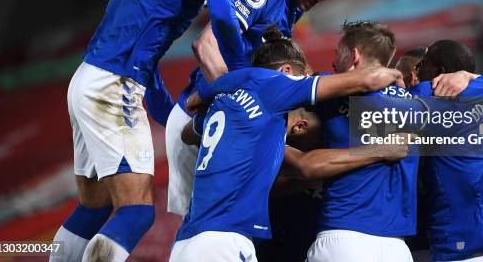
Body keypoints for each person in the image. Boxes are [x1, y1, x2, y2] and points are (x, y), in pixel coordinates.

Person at [51, 0, 294, 262]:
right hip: (115, 85)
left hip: (87, 78)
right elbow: (225, 17)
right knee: (136, 211)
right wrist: (242, 76)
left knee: (96, 205)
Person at [170, 28, 405, 261]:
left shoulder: (229, 103)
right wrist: (395, 74)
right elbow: (371, 78)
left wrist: (209, 91)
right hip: (221, 237)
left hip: (199, 235)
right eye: (303, 78)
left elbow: (187, 134)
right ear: (286, 72)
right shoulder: (272, 86)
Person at [164, 0, 352, 216]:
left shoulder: (294, 0)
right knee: (206, 225)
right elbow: (205, 45)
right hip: (203, 120)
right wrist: (238, 107)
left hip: (217, 118)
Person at [306, 23, 483, 262]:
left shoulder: (421, 99)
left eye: (415, 70)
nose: (406, 79)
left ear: (354, 55)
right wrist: (470, 76)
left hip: (456, 249)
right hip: (459, 244)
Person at [412, 40, 483, 262]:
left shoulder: (432, 98)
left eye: (421, 65)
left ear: (438, 71)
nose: (415, 73)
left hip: (462, 249)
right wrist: (471, 77)